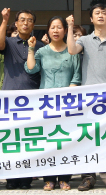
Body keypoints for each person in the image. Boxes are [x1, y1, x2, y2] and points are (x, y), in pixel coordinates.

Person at [67, 3, 106, 192]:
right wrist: (69, 27)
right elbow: (71, 50)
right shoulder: (84, 39)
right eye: (96, 13)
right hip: (88, 97)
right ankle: (88, 177)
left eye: (104, 13)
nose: (101, 16)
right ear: (91, 19)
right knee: (88, 137)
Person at [25, 16, 81, 191]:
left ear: (65, 30)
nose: (56, 30)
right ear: (48, 31)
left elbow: (76, 76)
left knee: (65, 140)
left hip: (67, 102)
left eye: (59, 27)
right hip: (46, 104)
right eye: (52, 27)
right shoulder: (42, 51)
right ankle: (48, 179)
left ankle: (64, 178)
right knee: (48, 141)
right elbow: (31, 69)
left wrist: (66, 98)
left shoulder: (72, 52)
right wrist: (31, 49)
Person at [0, 8, 44, 189]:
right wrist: (4, 20)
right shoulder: (8, 42)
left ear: (33, 25)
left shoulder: (39, 46)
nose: (25, 23)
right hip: (11, 97)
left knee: (30, 140)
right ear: (16, 24)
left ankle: (26, 178)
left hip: (33, 97)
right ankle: (11, 178)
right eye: (22, 20)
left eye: (29, 20)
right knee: (12, 140)